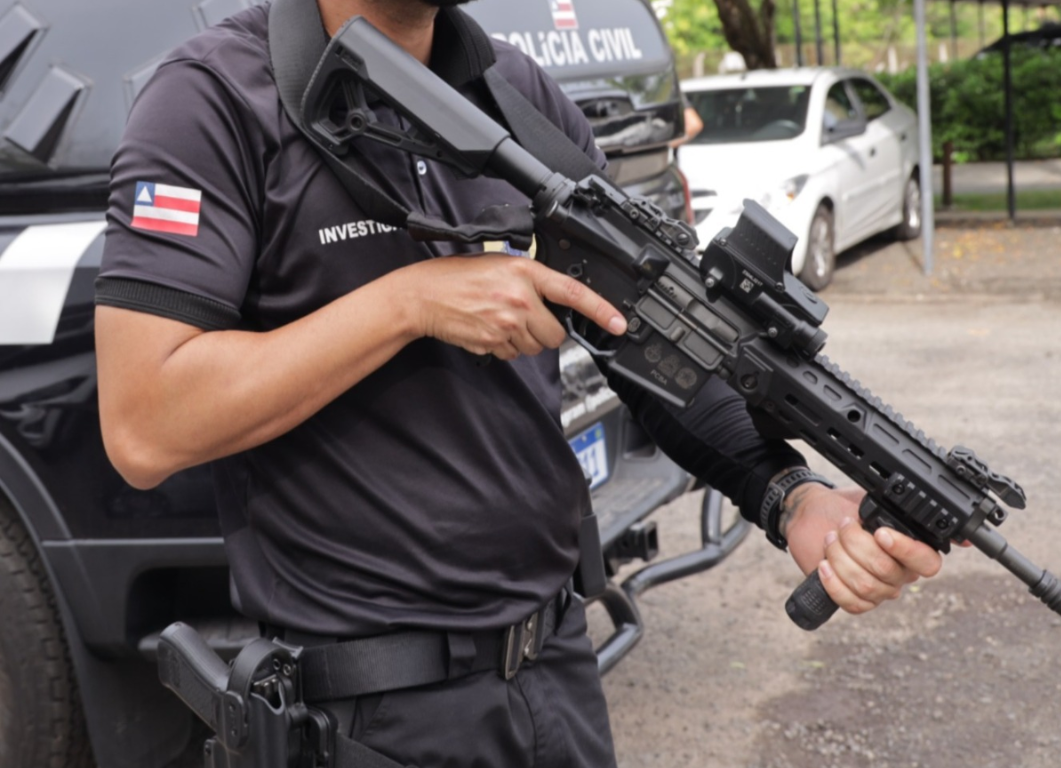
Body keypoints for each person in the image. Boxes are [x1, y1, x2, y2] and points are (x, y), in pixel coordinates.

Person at [93, 1, 944, 765]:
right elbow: (145, 426)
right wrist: (408, 303)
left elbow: (650, 339)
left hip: (556, 675)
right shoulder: (210, 99)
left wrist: (791, 495)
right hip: (366, 712)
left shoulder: (518, 90)